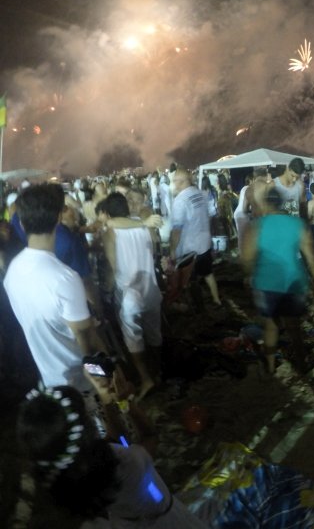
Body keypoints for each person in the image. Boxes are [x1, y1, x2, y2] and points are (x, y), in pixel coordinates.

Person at [18, 384, 208, 528]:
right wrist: (128, 402)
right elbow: (147, 436)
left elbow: (115, 440)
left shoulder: (58, 481)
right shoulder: (127, 464)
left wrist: (107, 403)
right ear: (86, 428)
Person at [3, 183, 103, 394]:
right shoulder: (64, 278)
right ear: (58, 218)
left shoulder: (12, 273)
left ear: (21, 224)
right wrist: (104, 376)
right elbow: (87, 342)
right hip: (81, 384)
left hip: (49, 379)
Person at [241, 188, 314, 374]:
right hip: (293, 281)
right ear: (281, 203)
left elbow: (247, 259)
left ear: (264, 203)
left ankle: (270, 367)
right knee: (294, 327)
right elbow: (311, 257)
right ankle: (301, 364)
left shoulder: (256, 226)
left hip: (266, 282)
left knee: (271, 326)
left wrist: (248, 276)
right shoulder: (297, 224)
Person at [101, 193, 162, 399]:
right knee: (154, 334)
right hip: (151, 289)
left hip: (129, 295)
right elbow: (153, 249)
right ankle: (158, 371)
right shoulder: (143, 224)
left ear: (108, 212)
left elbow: (113, 266)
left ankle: (146, 379)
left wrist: (107, 288)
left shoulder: (111, 232)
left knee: (133, 339)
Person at [169, 169, 222, 309]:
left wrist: (173, 250)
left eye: (175, 181)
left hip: (189, 248)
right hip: (204, 242)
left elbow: (176, 230)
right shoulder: (201, 194)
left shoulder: (180, 200)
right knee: (208, 273)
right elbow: (210, 215)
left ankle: (198, 308)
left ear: (182, 181)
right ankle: (217, 299)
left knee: (190, 280)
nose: (174, 184)